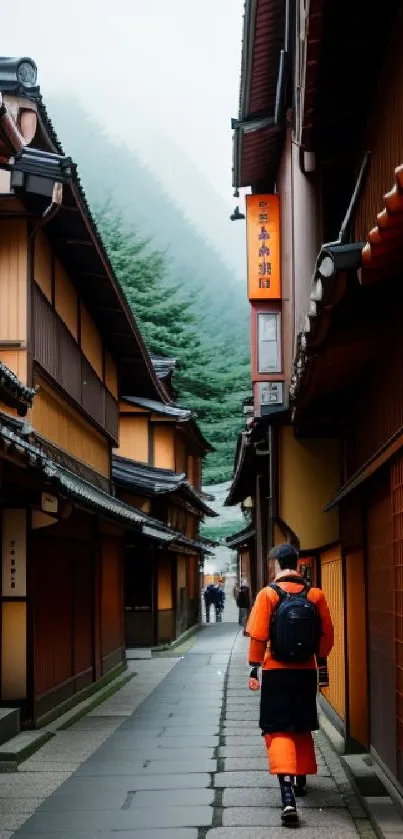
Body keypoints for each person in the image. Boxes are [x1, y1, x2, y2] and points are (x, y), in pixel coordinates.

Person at [246, 542, 334, 826]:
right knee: (301, 725)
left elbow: (258, 635)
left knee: (278, 727)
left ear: (275, 564)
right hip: (306, 671)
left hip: (277, 671)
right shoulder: (316, 595)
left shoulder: (268, 594)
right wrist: (319, 661)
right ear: (296, 564)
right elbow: (327, 636)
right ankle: (301, 779)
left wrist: (253, 668)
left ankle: (287, 798)